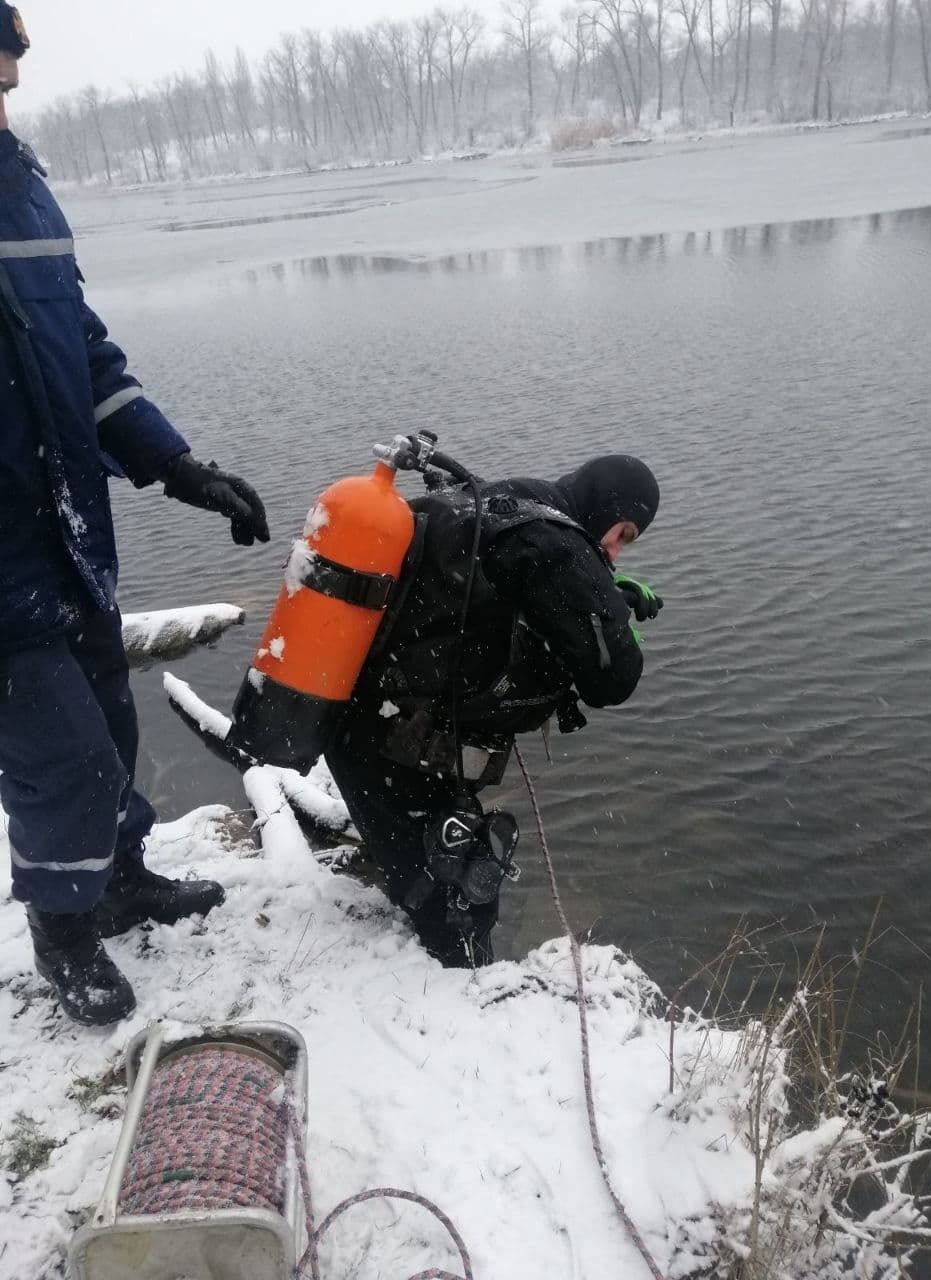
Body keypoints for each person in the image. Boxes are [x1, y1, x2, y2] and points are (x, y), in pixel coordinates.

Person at [0, 7, 270, 1026]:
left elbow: (86, 353)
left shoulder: (21, 186)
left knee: (108, 723)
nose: (3, 101)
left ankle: (116, 881)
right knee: (58, 749)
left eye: (9, 83)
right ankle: (62, 927)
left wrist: (178, 465)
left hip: (67, 531)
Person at [325, 452, 662, 967]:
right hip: (398, 753)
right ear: (605, 505)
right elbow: (613, 678)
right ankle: (454, 999)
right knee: (457, 910)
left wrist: (601, 591)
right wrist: (613, 622)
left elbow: (493, 589)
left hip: (359, 725)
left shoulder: (501, 503)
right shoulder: (551, 540)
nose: (614, 551)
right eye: (622, 533)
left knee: (416, 869)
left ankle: (419, 919)